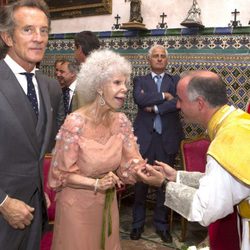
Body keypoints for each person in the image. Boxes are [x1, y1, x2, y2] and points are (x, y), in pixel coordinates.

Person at [137, 70, 250, 250]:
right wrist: (177, 177)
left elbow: (205, 209)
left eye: (180, 99)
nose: (178, 106)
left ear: (199, 103)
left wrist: (164, 184)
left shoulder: (226, 142)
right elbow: (225, 182)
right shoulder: (237, 121)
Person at [48, 49, 146, 250]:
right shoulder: (75, 122)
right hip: (76, 207)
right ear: (99, 86)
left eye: (125, 83)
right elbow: (61, 175)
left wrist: (144, 171)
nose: (125, 89)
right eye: (117, 83)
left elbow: (131, 162)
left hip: (106, 206)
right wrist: (96, 184)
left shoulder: (121, 122)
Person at [0, 0, 62, 249]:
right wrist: (3, 202)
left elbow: (34, 150)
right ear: (7, 37)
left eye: (43, 30)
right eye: (28, 30)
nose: (38, 38)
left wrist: (38, 188)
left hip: (35, 214)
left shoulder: (51, 88)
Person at [130, 44, 184, 243]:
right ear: (149, 60)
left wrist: (155, 108)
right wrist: (162, 97)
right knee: (140, 183)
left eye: (163, 56)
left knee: (164, 184)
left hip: (167, 139)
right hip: (144, 139)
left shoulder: (175, 81)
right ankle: (137, 225)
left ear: (167, 60)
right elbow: (139, 99)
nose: (160, 59)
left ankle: (162, 226)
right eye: (156, 56)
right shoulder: (140, 80)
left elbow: (177, 103)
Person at [72, 30, 100, 110]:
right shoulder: (102, 69)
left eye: (75, 49)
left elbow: (83, 107)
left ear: (80, 49)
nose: (74, 52)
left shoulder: (88, 74)